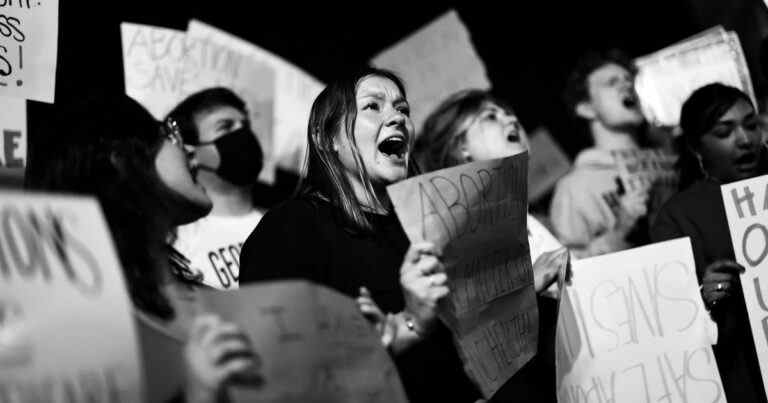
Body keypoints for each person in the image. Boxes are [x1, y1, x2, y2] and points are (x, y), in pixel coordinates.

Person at [239, 67, 482, 402]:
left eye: (402, 109)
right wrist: (410, 323)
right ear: (328, 138)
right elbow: (280, 364)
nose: (397, 118)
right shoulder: (291, 228)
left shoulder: (425, 225)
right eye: (373, 106)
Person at [27, 93, 258, 403]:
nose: (189, 152)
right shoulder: (76, 328)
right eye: (170, 134)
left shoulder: (210, 300)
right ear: (120, 158)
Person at [414, 88, 569, 403]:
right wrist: (527, 287)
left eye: (507, 112)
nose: (510, 118)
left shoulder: (529, 219)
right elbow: (467, 344)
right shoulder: (453, 233)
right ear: (461, 148)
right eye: (490, 116)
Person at [651, 83, 767, 403]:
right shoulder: (678, 217)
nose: (745, 140)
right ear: (695, 147)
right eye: (724, 131)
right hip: (744, 376)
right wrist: (704, 296)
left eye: (751, 125)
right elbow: (670, 323)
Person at [550, 49, 651, 258]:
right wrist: (621, 229)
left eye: (629, 79)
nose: (627, 85)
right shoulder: (574, 189)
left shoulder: (672, 160)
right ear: (587, 108)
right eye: (612, 82)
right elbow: (572, 273)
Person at [166, 88, 266, 290]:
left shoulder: (285, 224)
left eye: (245, 125)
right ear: (192, 154)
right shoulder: (178, 242)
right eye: (225, 127)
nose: (243, 133)